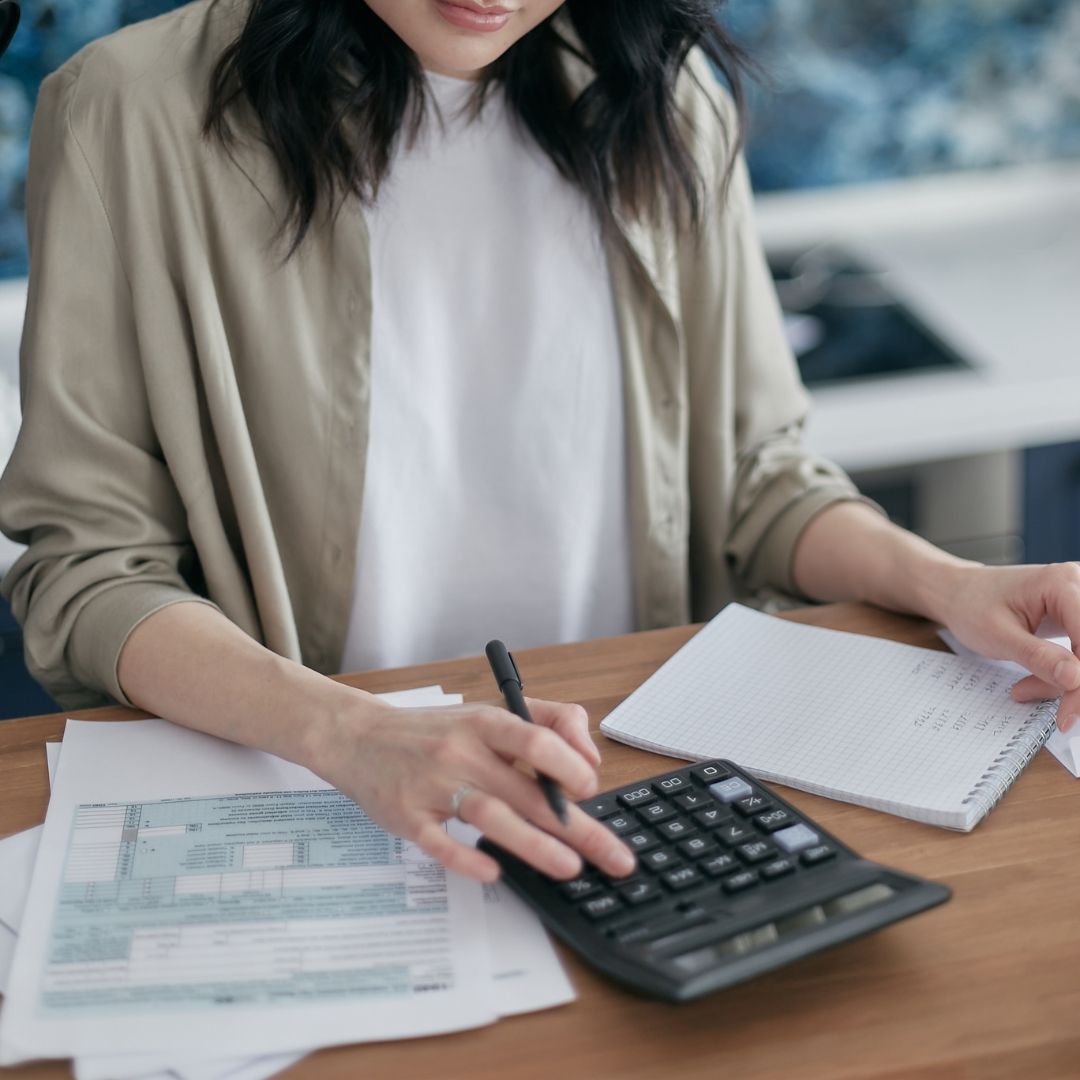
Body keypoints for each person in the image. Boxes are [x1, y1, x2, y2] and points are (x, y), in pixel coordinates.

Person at [1, 0, 1077, 886]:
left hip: (621, 793)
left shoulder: (670, 100)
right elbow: (90, 571)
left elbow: (759, 480)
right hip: (329, 807)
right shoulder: (129, 111)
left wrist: (954, 584)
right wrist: (351, 734)